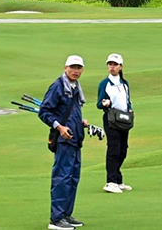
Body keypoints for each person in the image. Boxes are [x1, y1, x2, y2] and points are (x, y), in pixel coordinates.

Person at [39, 55, 90, 230]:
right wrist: (59, 127)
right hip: (63, 140)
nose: (76, 71)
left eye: (79, 68)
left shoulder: (75, 87)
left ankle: (66, 214)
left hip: (76, 139)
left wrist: (80, 123)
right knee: (62, 178)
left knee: (73, 178)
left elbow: (69, 112)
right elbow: (44, 112)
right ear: (65, 68)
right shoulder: (58, 86)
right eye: (72, 67)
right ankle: (56, 219)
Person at [97, 53, 133, 194]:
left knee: (123, 150)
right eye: (110, 64)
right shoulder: (104, 84)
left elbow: (127, 100)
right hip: (111, 118)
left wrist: (130, 109)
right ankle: (111, 182)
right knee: (114, 148)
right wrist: (105, 103)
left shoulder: (124, 83)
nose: (112, 67)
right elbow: (99, 104)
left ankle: (118, 180)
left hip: (124, 119)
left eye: (115, 64)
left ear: (120, 67)